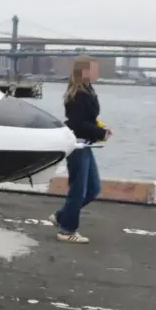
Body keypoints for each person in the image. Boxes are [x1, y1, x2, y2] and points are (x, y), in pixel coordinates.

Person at [53, 55, 110, 244]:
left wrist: (101, 128)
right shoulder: (78, 94)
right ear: (84, 71)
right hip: (77, 144)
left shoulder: (87, 90)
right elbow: (77, 124)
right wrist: (101, 133)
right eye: (94, 69)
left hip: (85, 143)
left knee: (93, 189)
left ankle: (62, 216)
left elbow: (88, 119)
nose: (97, 72)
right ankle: (67, 230)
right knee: (78, 190)